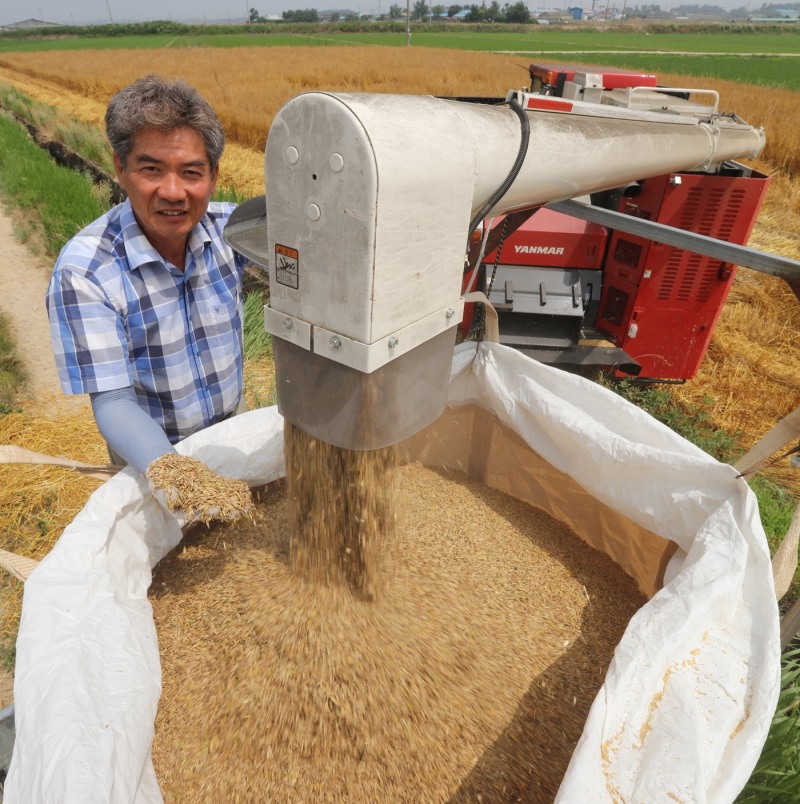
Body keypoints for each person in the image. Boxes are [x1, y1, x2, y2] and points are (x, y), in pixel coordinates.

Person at [47, 74, 253, 523]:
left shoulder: (231, 234)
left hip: (233, 439)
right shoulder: (86, 270)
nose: (173, 192)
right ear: (121, 169)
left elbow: (315, 244)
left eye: (192, 172)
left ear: (215, 176)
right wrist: (180, 479)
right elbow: (113, 401)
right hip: (151, 463)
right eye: (151, 169)